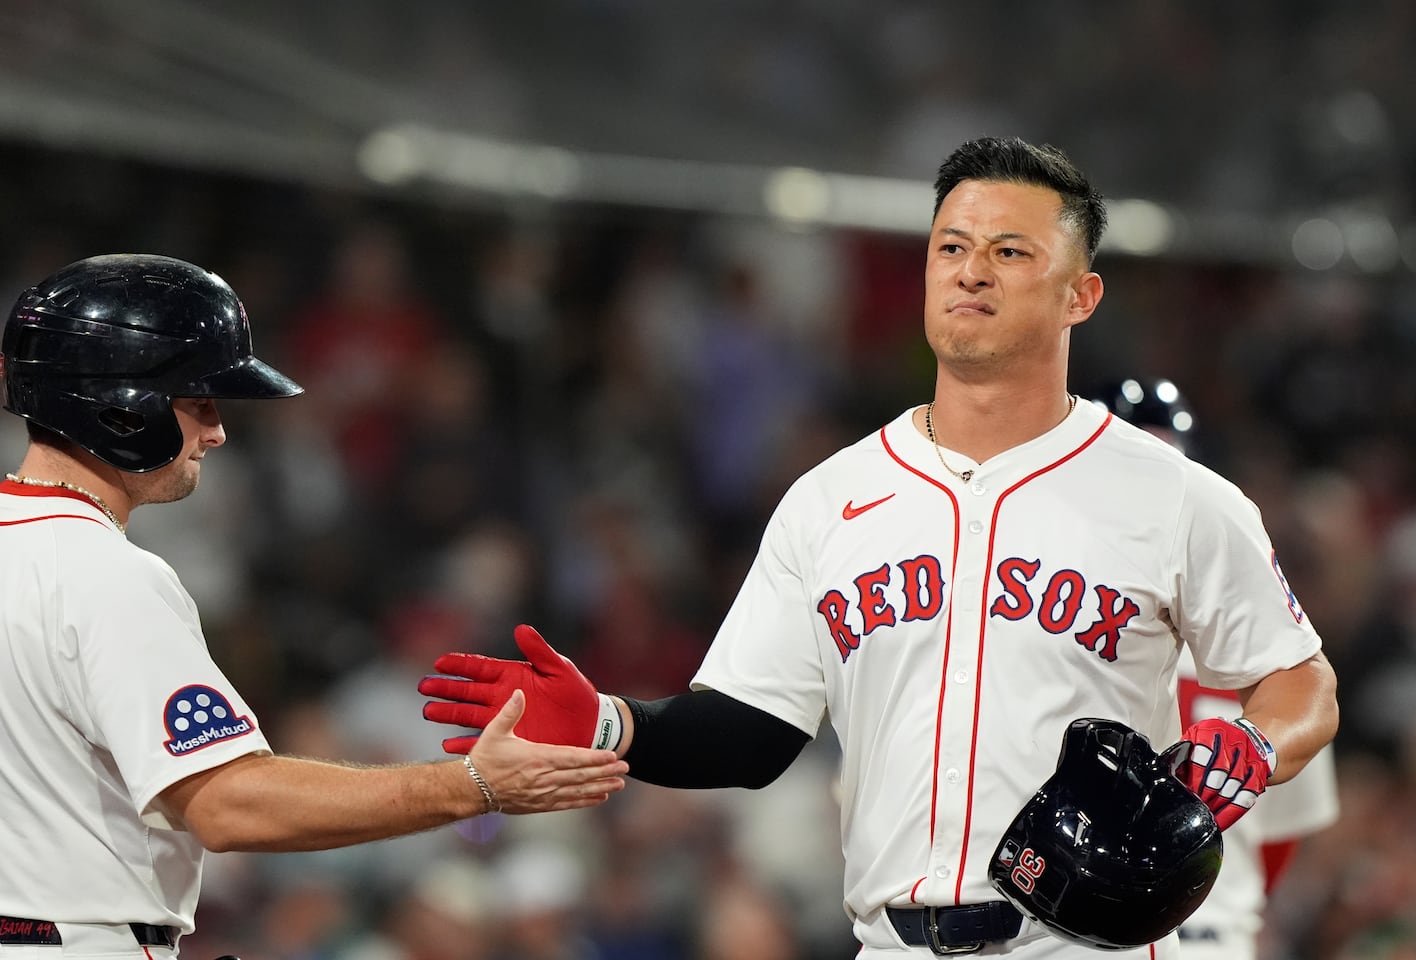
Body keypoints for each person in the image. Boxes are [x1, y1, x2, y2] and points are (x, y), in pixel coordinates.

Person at [419, 137, 1340, 957]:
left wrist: (1255, 740)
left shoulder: (1173, 494)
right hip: (889, 944)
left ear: (1080, 294)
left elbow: (1304, 684)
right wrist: (611, 723)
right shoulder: (831, 498)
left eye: (1010, 251)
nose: (971, 271)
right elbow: (752, 732)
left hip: (1081, 947)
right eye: (952, 248)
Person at [0, 254, 628, 959]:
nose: (216, 431)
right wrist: (475, 784)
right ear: (119, 404)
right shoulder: (104, 574)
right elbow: (229, 803)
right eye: (197, 401)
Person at [1092, 377, 1341, 960]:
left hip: (1097, 934)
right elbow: (1281, 836)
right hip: (1211, 933)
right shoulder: (1267, 646)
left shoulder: (1071, 628)